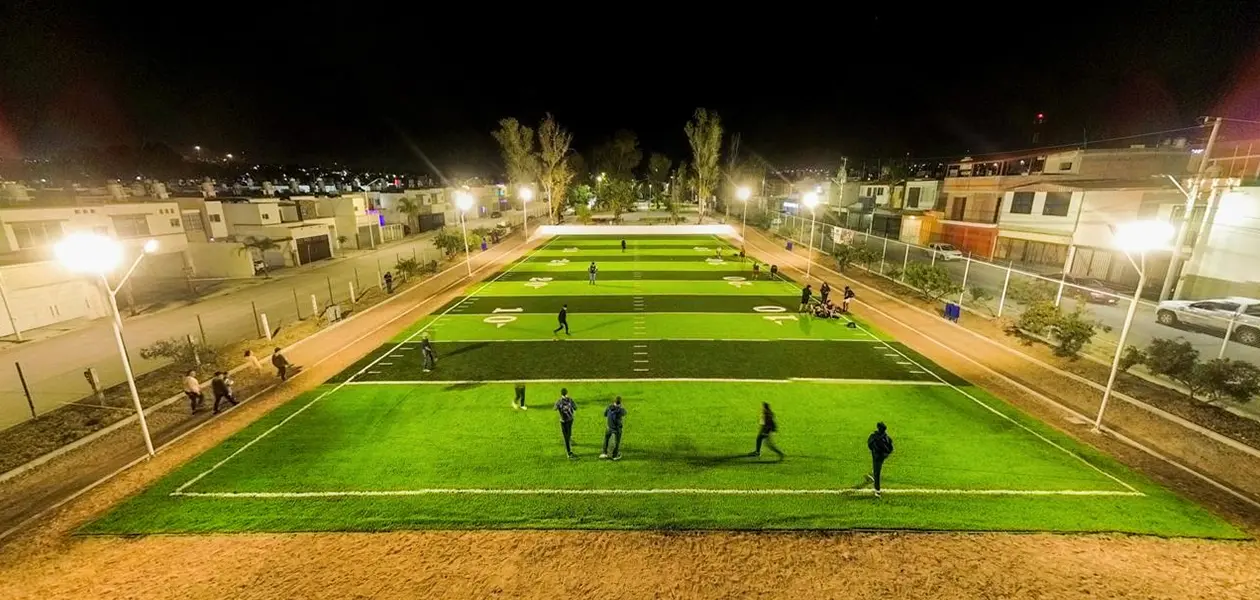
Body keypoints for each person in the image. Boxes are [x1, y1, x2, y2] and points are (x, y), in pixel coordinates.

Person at [867, 422, 895, 498]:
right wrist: (886, 454)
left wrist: (874, 450)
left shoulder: (874, 436)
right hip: (883, 456)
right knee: (877, 467)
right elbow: (891, 448)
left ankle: (877, 491)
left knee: (877, 472)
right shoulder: (887, 437)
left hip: (877, 456)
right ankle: (873, 473)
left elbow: (869, 444)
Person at [554, 388, 578, 459]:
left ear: (561, 394)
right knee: (568, 434)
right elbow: (575, 408)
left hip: (563, 421)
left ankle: (569, 451)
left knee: (566, 436)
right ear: (567, 393)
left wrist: (560, 407)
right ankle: (569, 453)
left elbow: (554, 408)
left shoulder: (559, 401)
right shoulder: (570, 400)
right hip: (570, 419)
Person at [601, 396, 627, 460]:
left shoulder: (609, 407)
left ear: (614, 402)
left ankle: (604, 453)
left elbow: (605, 414)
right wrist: (620, 407)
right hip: (617, 429)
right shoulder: (621, 410)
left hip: (609, 427)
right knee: (617, 442)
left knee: (606, 439)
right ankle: (615, 455)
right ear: (620, 403)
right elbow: (625, 412)